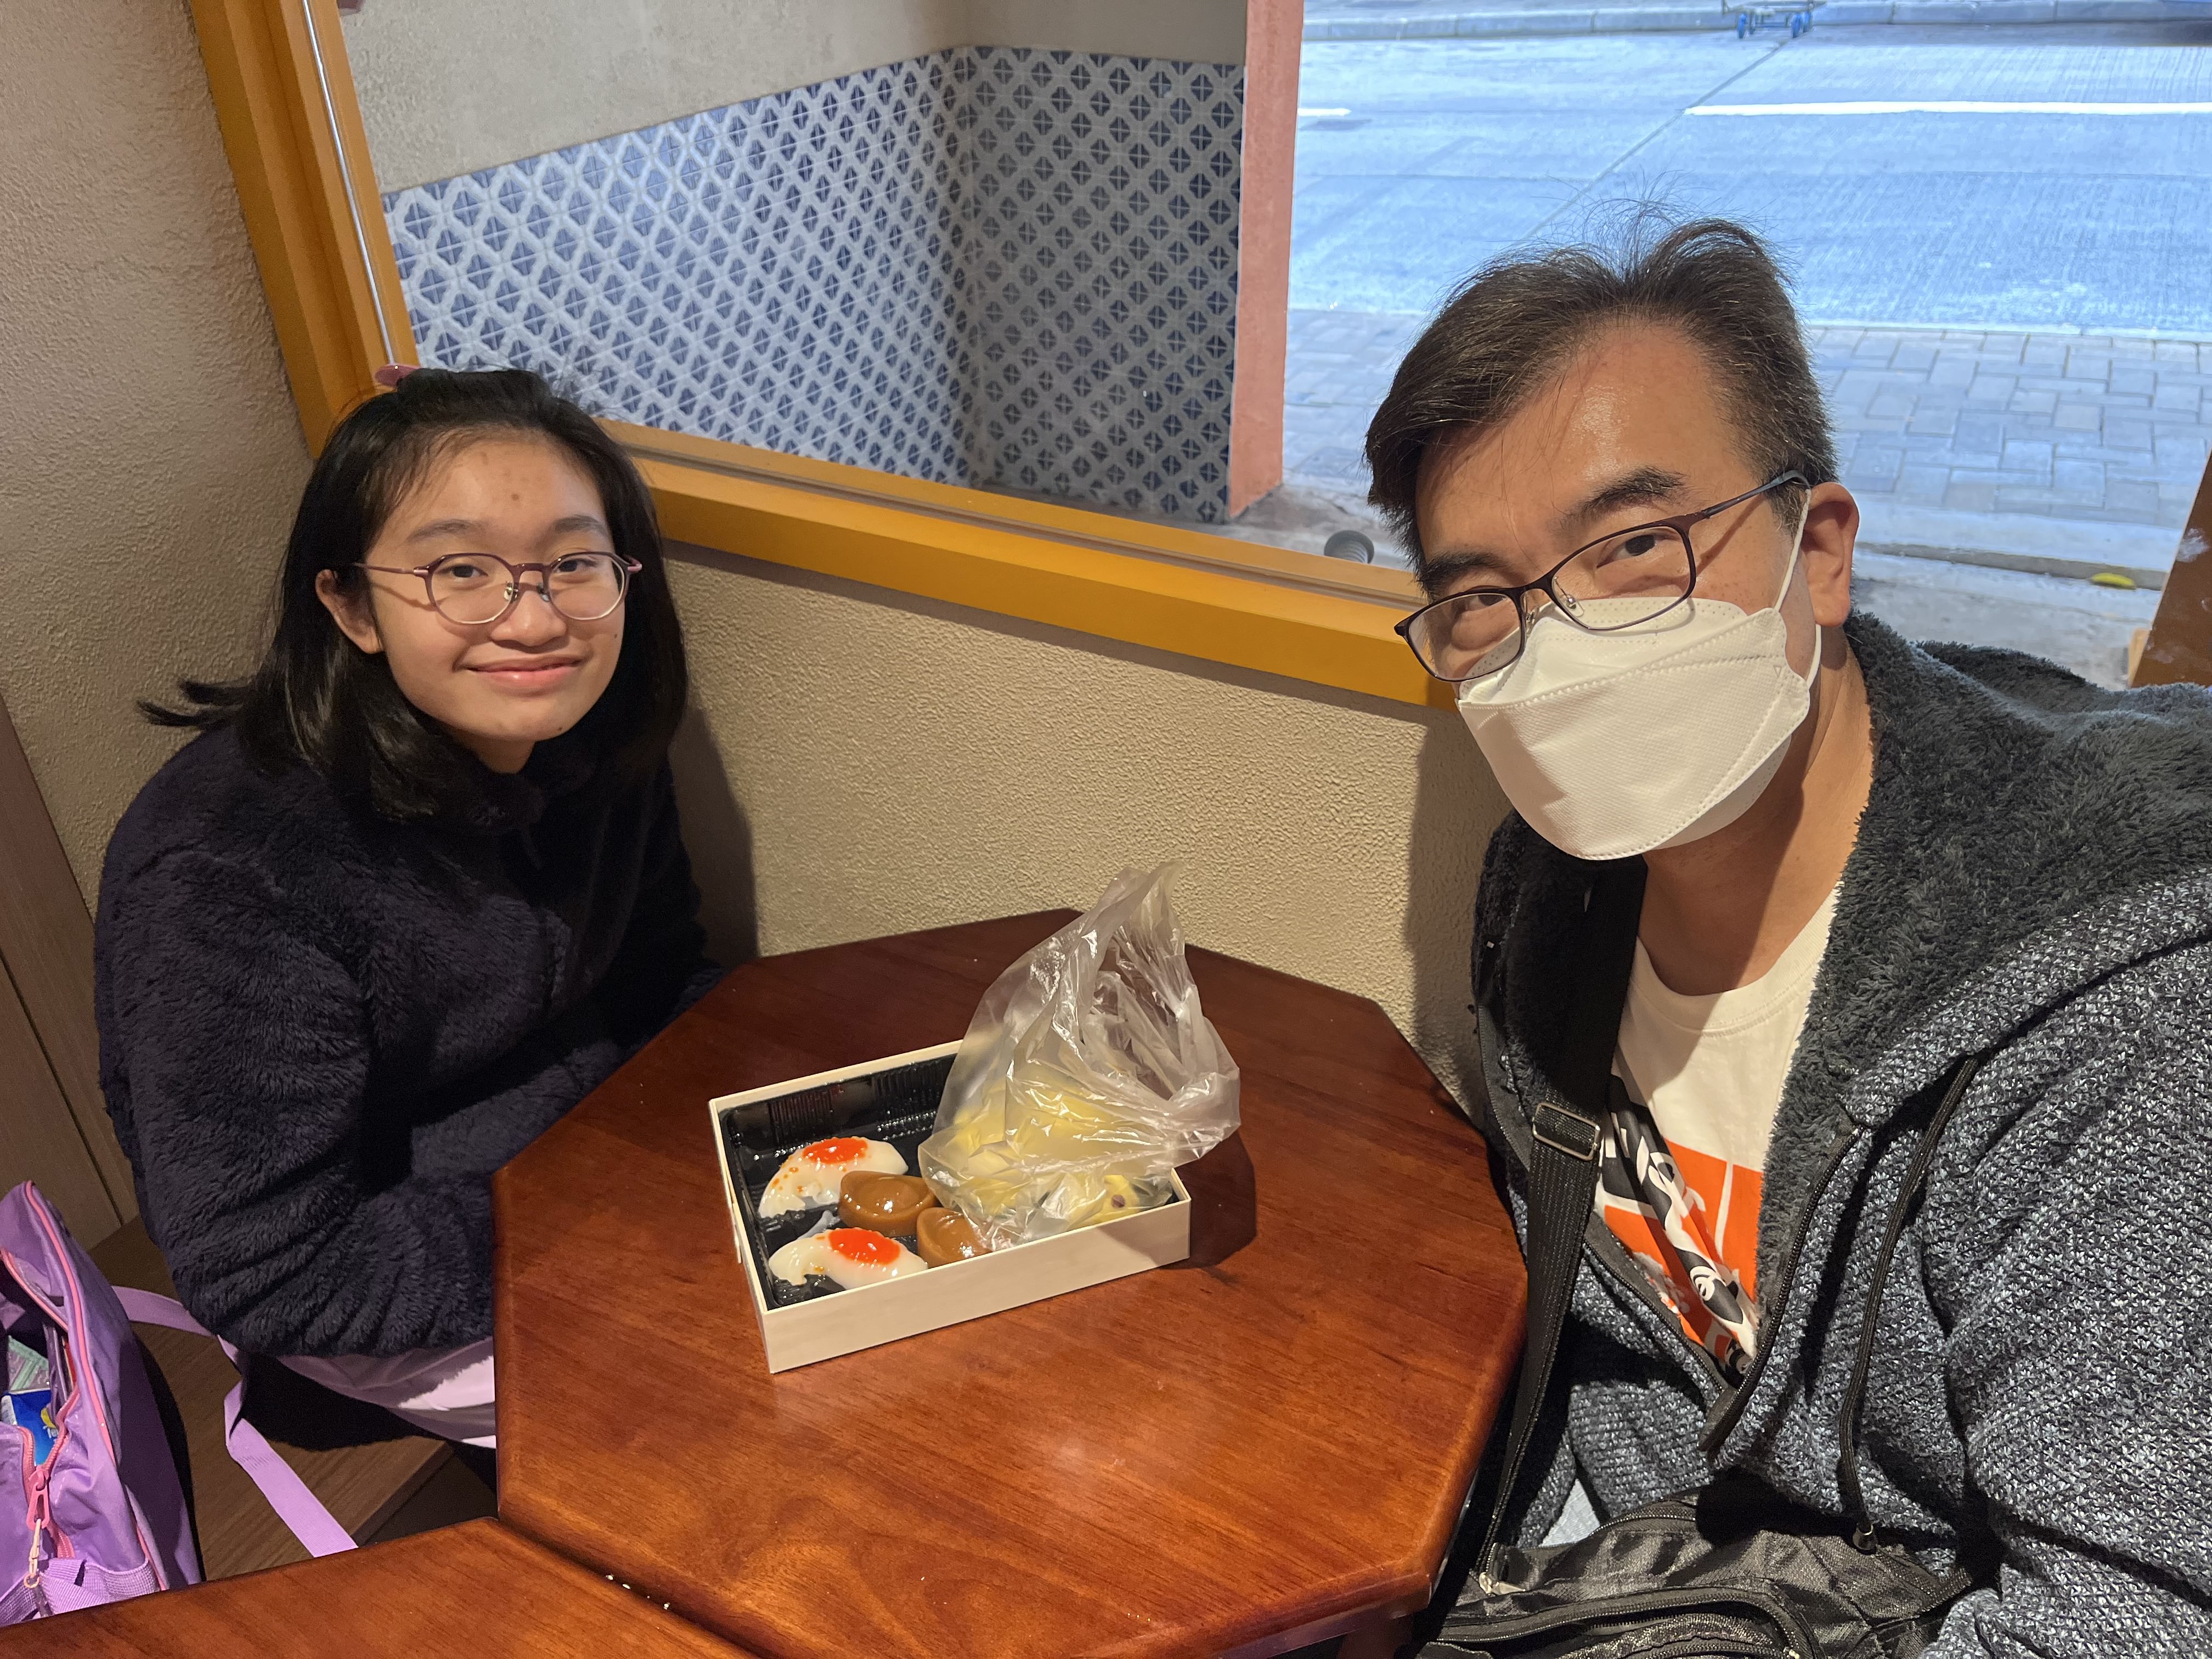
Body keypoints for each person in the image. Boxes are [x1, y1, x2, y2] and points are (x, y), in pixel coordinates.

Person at [1366, 217, 2212, 1648]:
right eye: (1483, 600)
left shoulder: (2117, 993)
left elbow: (2131, 1617)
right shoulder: (1551, 895)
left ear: (1817, 554)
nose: (1555, 646)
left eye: (1635, 547)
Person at [95, 366, 716, 1448]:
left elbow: (661, 976)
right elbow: (268, 1267)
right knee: (719, 1414)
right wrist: (593, 1215)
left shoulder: (594, 738)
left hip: (580, 1173)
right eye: (460, 571)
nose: (535, 620)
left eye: (574, 563)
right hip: (382, 1269)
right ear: (351, 606)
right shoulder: (235, 866)